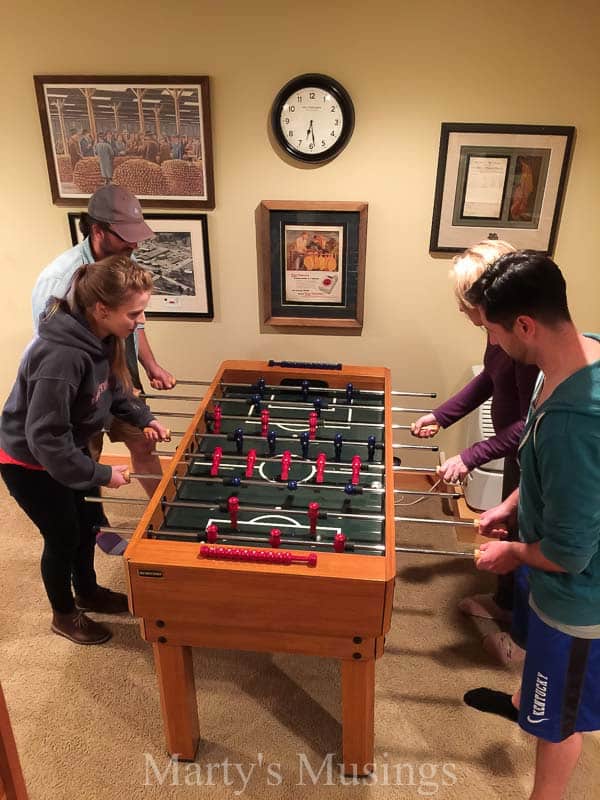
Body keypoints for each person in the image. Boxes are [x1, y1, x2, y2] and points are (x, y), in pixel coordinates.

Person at [463, 250, 600, 800]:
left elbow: (569, 553)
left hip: (578, 603)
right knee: (540, 683)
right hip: (553, 582)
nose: (494, 346)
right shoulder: (578, 351)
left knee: (559, 722)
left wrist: (514, 553)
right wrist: (512, 505)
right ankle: (526, 699)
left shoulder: (579, 424)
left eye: (496, 334)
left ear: (525, 324)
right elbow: (550, 470)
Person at [0, 256, 170, 645]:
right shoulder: (61, 356)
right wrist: (100, 473)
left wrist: (144, 417)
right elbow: (44, 437)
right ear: (101, 309)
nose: (140, 321)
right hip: (29, 462)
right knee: (62, 536)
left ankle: (88, 591)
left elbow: (116, 391)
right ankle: (63, 614)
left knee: (87, 525)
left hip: (67, 450)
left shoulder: (103, 338)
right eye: (135, 313)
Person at [410, 240, 539, 663]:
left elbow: (530, 423)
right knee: (508, 528)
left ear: (484, 301)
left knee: (528, 542)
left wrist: (470, 456)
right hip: (515, 451)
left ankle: (521, 641)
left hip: (534, 451)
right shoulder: (496, 337)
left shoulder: (523, 347)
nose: (461, 312)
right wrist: (442, 416)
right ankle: (503, 603)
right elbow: (487, 381)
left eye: (464, 304)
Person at [31, 185, 175, 554]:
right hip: (80, 390)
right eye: (126, 238)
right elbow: (50, 352)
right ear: (97, 231)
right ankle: (97, 527)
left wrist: (149, 363)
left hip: (117, 379)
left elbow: (135, 321)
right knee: (83, 463)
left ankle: (167, 513)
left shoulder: (123, 269)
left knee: (145, 439)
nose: (134, 246)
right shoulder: (58, 278)